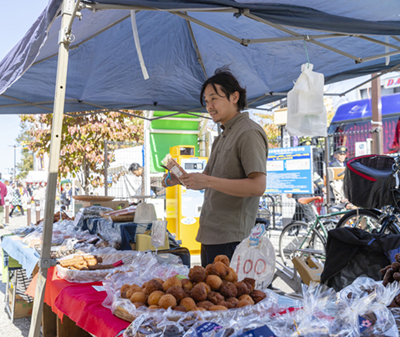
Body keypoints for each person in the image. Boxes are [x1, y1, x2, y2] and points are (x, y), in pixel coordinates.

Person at [162, 68, 269, 267]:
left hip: (232, 239)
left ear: (234, 97)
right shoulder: (222, 136)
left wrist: (208, 180)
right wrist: (180, 178)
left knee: (225, 296)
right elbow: (208, 178)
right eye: (206, 100)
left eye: (214, 98)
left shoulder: (248, 132)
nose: (209, 106)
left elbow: (258, 186)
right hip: (211, 234)